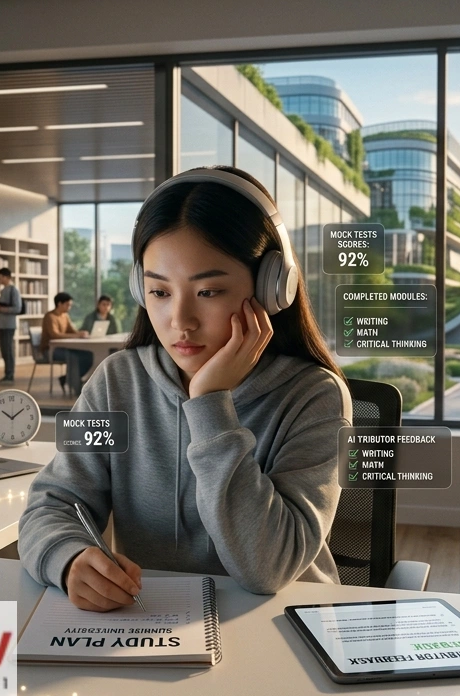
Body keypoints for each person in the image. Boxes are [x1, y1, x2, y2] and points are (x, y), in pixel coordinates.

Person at [19, 165, 351, 610]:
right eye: (159, 292)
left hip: (284, 634)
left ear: (273, 287)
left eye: (209, 291)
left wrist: (210, 406)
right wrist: (68, 557)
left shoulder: (314, 396)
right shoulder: (115, 382)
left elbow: (266, 568)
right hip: (154, 627)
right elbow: (54, 502)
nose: (180, 321)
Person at [41, 292, 92, 392]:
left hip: (64, 348)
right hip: (51, 350)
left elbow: (72, 331)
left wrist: (81, 333)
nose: (69, 307)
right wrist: (76, 335)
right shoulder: (50, 316)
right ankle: (77, 388)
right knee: (74, 357)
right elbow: (54, 335)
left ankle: (68, 378)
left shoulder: (65, 316)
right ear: (59, 304)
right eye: (67, 305)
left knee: (88, 355)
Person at [0, 268, 21, 383]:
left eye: (0, 277)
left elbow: (17, 308)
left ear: (6, 277)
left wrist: (2, 309)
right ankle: (7, 374)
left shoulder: (13, 290)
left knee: (8, 350)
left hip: (9, 325)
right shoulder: (3, 290)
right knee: (4, 350)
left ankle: (10, 375)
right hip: (2, 325)